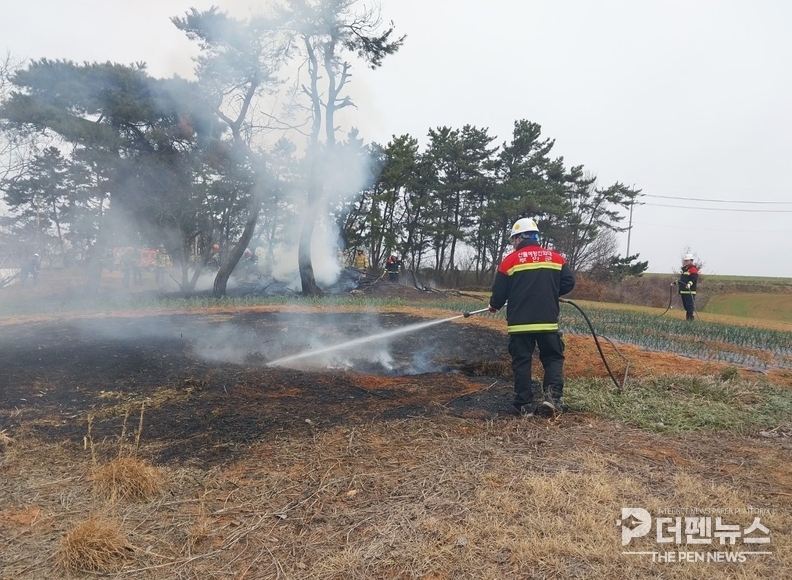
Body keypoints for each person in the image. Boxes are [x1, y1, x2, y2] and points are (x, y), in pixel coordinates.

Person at [488, 218, 575, 417]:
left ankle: (524, 405)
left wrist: (494, 306)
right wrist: (550, 292)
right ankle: (552, 399)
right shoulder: (556, 258)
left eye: (513, 240)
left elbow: (499, 294)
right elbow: (569, 282)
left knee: (522, 361)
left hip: (520, 324)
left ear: (519, 238)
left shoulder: (510, 261)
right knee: (552, 358)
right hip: (547, 320)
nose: (513, 244)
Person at [674, 253, 699, 320]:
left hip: (689, 291)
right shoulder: (685, 270)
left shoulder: (693, 269)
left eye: (687, 260)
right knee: (686, 306)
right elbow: (683, 280)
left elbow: (694, 279)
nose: (685, 262)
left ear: (691, 261)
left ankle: (690, 319)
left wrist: (689, 284)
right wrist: (675, 283)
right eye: (685, 260)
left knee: (689, 306)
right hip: (684, 291)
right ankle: (688, 318)